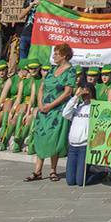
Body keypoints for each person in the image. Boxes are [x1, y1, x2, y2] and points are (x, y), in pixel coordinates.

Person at [28, 45, 77, 182]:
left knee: (53, 139)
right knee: (40, 137)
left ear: (64, 56)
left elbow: (67, 92)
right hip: (43, 109)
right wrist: (40, 104)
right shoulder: (52, 69)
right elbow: (42, 88)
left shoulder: (70, 71)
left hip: (56, 110)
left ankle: (53, 170)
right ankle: (37, 170)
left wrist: (51, 105)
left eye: (57, 54)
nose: (54, 56)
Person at [63, 80, 94, 186]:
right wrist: (76, 97)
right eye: (83, 94)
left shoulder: (94, 108)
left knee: (80, 182)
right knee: (70, 181)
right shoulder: (77, 107)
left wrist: (91, 98)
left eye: (87, 93)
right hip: (72, 147)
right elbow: (65, 113)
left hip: (84, 147)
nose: (84, 96)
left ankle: (101, 174)